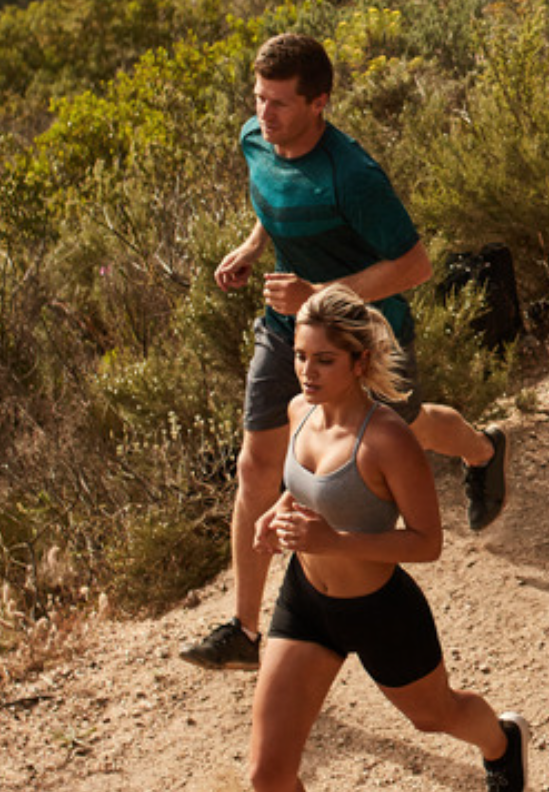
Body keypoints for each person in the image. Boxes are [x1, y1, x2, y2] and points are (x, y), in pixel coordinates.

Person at [180, 33, 508, 671]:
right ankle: (246, 630)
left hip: (366, 335)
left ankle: (483, 449)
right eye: (259, 99)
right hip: (287, 331)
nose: (264, 115)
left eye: (279, 103)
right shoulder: (257, 138)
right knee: (256, 465)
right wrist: (253, 248)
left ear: (319, 103)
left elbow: (414, 264)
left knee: (406, 430)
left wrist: (319, 292)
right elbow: (268, 192)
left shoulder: (352, 175)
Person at [242, 287, 529, 792]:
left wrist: (336, 540)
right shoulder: (297, 410)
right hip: (306, 602)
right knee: (267, 770)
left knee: (437, 715)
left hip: (380, 610)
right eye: (300, 356)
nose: (307, 372)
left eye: (323, 360)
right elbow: (301, 484)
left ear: (359, 359)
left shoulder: (388, 438)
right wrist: (274, 514)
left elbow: (427, 541)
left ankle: (502, 742)